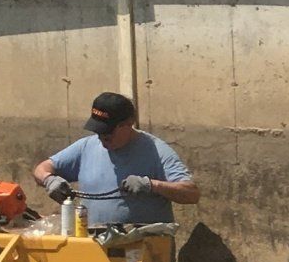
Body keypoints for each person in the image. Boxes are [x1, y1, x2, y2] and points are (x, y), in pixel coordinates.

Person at [34, 92, 199, 234]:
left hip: (141, 251)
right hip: (94, 246)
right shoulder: (86, 147)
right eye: (98, 132)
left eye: (108, 133)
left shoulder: (156, 150)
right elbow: (42, 168)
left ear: (127, 124)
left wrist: (152, 185)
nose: (102, 138)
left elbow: (191, 194)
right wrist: (49, 179)